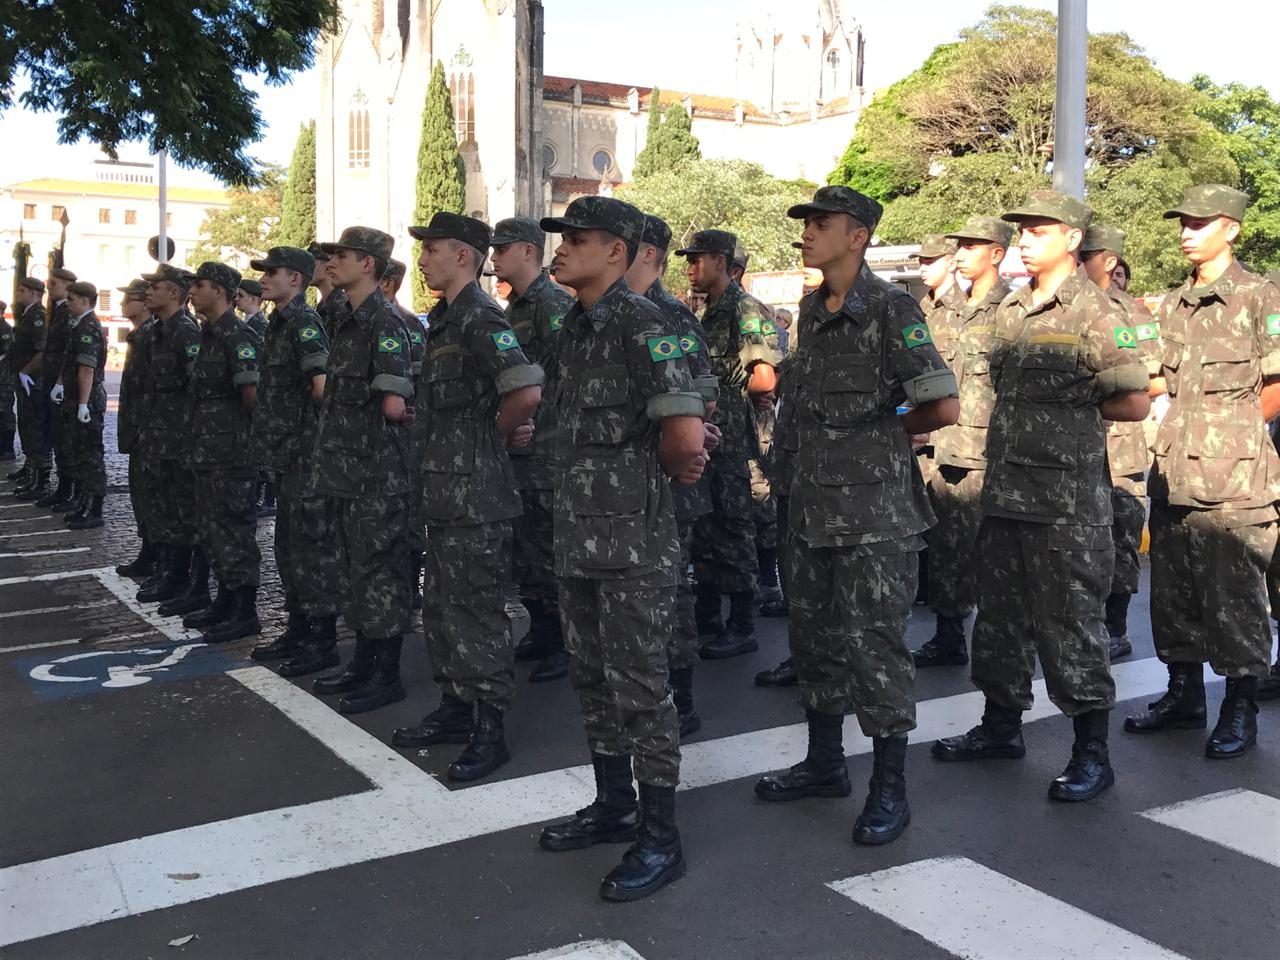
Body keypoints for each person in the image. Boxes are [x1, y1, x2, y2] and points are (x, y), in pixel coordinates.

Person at [753, 185, 958, 847]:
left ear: (857, 236)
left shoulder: (892, 308)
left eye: (821, 223)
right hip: (811, 511)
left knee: (876, 653)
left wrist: (884, 431)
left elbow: (939, 405)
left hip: (873, 520)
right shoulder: (811, 310)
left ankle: (888, 789)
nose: (808, 232)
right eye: (806, 222)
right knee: (814, 643)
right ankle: (824, 763)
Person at [932, 191, 1151, 803]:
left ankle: (1091, 752)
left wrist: (1069, 407)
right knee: (1000, 622)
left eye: (1039, 230)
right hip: (1005, 494)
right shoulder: (1011, 310)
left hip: (1066, 503)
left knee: (1071, 626)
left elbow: (1133, 401)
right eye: (1021, 230)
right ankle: (1000, 726)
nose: (1024, 239)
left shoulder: (1096, 310)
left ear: (1072, 239)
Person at [536, 196, 707, 902]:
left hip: (633, 541)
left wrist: (661, 473)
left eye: (580, 238)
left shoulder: (646, 324)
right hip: (578, 534)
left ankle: (661, 837)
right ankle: (614, 804)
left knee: (641, 689)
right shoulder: (575, 327)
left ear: (619, 251)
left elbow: (686, 434)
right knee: (593, 679)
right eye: (562, 237)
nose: (564, 247)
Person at [1125, 184, 1280, 758]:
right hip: (1173, 469)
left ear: (1231, 229)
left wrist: (1233, 434)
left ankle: (1240, 707)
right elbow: (1158, 379)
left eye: (1199, 223)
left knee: (1235, 593)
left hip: (1235, 478)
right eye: (1183, 223)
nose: (1187, 232)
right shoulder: (1170, 306)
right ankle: (1184, 694)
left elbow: (1275, 384)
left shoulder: (1258, 298)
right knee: (1173, 592)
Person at [389, 214, 542, 779]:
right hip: (442, 493)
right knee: (443, 608)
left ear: (464, 257)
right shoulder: (445, 321)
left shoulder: (481, 318)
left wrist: (490, 438)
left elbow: (525, 388)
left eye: (432, 250)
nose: (423, 259)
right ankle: (456, 706)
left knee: (476, 611)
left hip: (477, 496)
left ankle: (489, 728)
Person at [308, 227, 416, 714]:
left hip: (378, 473)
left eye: (343, 256)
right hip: (350, 470)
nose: (333, 263)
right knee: (357, 569)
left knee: (382, 573)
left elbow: (395, 405)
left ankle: (385, 673)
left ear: (368, 264)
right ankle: (363, 662)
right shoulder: (349, 318)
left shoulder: (384, 323)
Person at [627, 212, 721, 737]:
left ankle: (679, 697)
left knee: (672, 589)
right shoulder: (623, 313)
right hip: (636, 479)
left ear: (645, 254)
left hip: (674, 477)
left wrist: (687, 445)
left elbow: (700, 401)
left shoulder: (670, 317)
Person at [912, 215, 1013, 668]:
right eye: (961, 246)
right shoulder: (941, 310)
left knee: (987, 551)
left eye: (973, 246)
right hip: (939, 444)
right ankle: (949, 634)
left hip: (986, 450)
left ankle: (999, 645)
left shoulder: (1010, 309)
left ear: (996, 253)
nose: (963, 254)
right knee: (946, 546)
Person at [679, 229, 780, 659]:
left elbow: (764, 378)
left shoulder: (743, 309)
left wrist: (732, 403)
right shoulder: (709, 313)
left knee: (737, 527)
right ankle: (709, 617)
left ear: (721, 262)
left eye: (698, 260)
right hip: (715, 438)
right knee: (709, 526)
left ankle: (741, 624)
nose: (690, 268)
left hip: (737, 440)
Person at [244, 246, 345, 675]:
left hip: (304, 454)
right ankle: (298, 628)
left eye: (273, 272)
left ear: (297, 280)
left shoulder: (304, 322)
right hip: (285, 455)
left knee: (310, 550)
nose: (264, 278)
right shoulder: (277, 322)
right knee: (288, 547)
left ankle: (321, 640)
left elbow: (322, 386)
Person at [487, 216, 576, 683]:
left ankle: (563, 639)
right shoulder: (514, 308)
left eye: (502, 249)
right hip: (522, 449)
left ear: (527, 251)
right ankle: (542, 628)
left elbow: (568, 375)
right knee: (526, 547)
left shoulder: (552, 304)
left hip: (548, 448)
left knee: (549, 546)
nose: (494, 256)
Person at [1080, 223, 1164, 661]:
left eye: (1087, 253)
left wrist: (1089, 398)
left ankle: (1115, 626)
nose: (1078, 259)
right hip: (1073, 446)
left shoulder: (1133, 313)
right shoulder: (1064, 308)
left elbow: (1153, 381)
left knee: (1121, 537)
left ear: (1109, 260)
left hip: (1121, 446)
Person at [179, 262, 263, 643]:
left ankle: (244, 610)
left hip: (231, 456)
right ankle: (225, 601)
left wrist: (241, 446)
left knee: (234, 531)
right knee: (213, 531)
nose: (192, 291)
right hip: (207, 454)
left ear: (220, 292)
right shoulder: (209, 335)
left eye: (200, 285)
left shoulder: (237, 337)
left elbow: (252, 399)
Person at [134, 265, 203, 604]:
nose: (148, 292)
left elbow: (196, 387)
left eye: (155, 286)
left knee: (181, 510)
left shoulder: (185, 331)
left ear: (174, 292)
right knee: (161, 506)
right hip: (159, 436)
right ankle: (167, 570)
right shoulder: (158, 330)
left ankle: (180, 576)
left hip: (179, 438)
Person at [115, 279, 158, 576]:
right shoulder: (139, 336)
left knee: (153, 497)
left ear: (144, 303)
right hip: (139, 429)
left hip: (153, 432)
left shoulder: (152, 338)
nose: (122, 304)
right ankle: (149, 551)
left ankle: (156, 555)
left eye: (128, 298)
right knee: (141, 495)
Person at [57, 281, 108, 529]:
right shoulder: (79, 325)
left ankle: (94, 509)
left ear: (86, 301)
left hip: (86, 399)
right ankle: (84, 503)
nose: (68, 304)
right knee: (80, 454)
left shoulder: (88, 327)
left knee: (90, 456)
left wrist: (83, 404)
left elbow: (86, 369)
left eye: (72, 300)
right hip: (76, 397)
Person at [34, 266, 77, 508]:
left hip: (64, 386)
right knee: (55, 435)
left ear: (68, 286)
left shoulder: (69, 313)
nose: (49, 288)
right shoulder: (59, 311)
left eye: (54, 284)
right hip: (52, 382)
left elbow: (68, 352)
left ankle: (69, 488)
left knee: (65, 439)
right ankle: (63, 487)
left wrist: (59, 381)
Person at [8, 278, 48, 492]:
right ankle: (30, 467)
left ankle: (39, 476)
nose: (18, 294)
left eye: (22, 290)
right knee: (26, 424)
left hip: (33, 380)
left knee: (35, 426)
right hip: (25, 379)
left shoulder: (38, 316)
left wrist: (25, 371)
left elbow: (41, 350)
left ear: (34, 293)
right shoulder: (27, 314)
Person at [0, 299, 14, 462]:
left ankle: (7, 448)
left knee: (5, 413)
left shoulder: (5, 329)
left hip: (3, 380)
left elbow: (6, 352)